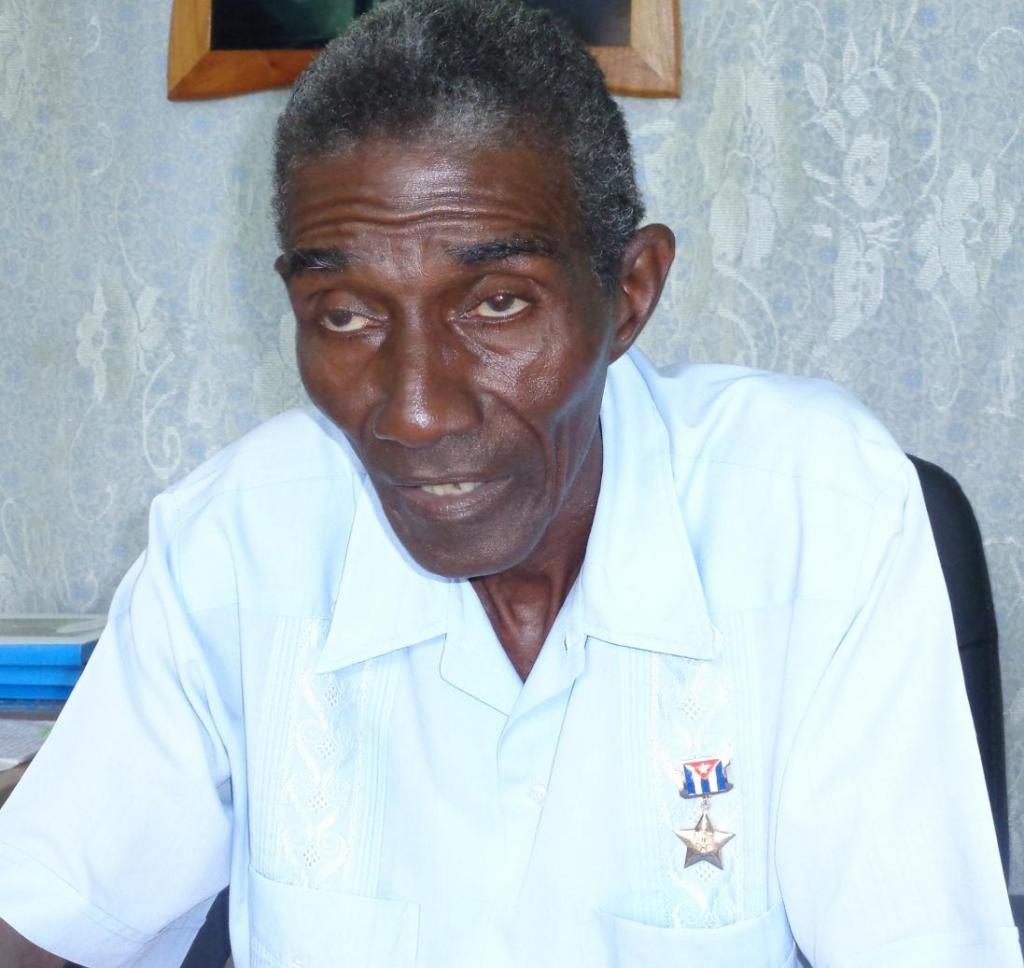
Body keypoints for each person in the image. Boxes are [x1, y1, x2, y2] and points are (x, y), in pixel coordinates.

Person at [0, 1, 1019, 965]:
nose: (414, 410)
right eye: (346, 313)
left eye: (495, 304)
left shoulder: (815, 518)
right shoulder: (235, 542)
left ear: (628, 293)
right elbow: (44, 912)